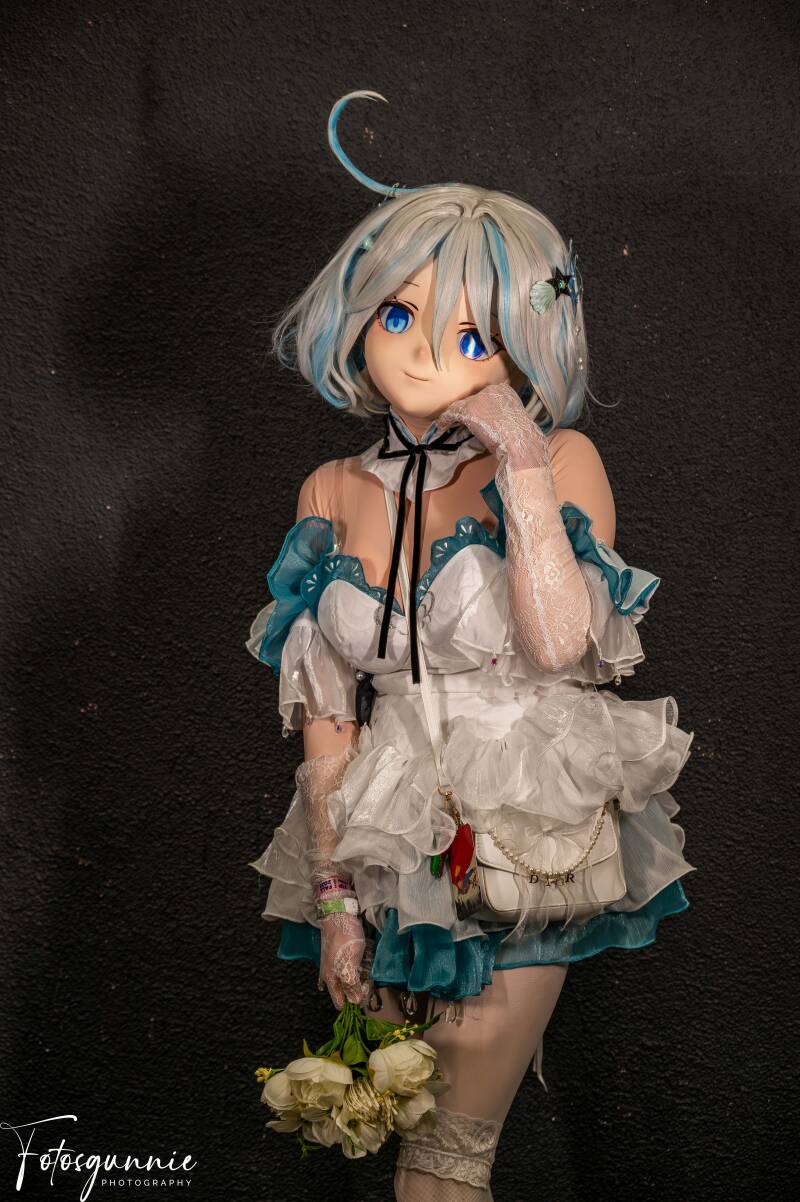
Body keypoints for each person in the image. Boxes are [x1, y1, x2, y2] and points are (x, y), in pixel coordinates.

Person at [246, 90, 696, 1200]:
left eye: (467, 334)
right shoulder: (330, 488)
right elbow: (327, 719)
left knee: (445, 1158)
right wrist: (336, 907)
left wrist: (523, 461)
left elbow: (559, 641)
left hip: (525, 838)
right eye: (398, 314)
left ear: (519, 345)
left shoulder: (559, 459)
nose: (419, 353)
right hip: (390, 847)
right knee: (414, 1147)